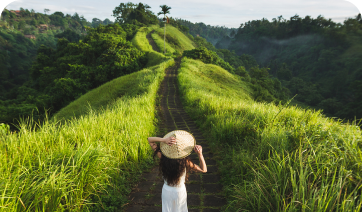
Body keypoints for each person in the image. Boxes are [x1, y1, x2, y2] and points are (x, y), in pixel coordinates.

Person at [148, 130, 207, 212]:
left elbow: (150, 140)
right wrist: (200, 154)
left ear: (168, 146)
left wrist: (164, 140)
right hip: (179, 192)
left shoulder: (162, 156)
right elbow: (204, 170)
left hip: (166, 191)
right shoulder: (184, 161)